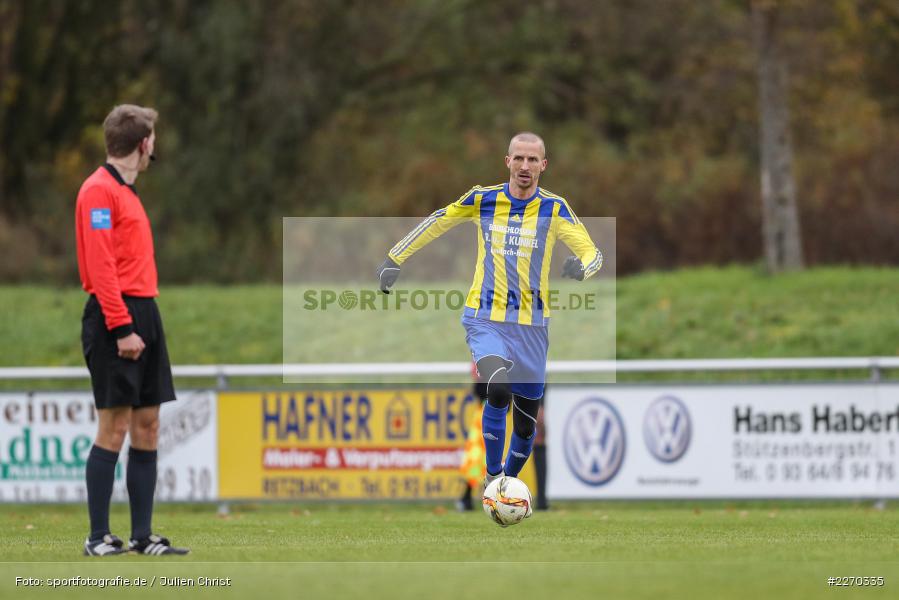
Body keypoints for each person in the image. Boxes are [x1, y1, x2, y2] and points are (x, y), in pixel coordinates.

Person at [378, 132, 602, 507]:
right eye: (519, 159)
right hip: (485, 319)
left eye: (533, 160)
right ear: (507, 161)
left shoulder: (555, 208)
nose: (525, 167)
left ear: (543, 165)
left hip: (532, 327)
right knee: (497, 388)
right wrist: (394, 258)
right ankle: (493, 476)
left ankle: (506, 490)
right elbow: (439, 220)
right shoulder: (483, 199)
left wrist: (581, 268)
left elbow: (593, 253)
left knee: (528, 424)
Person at [76, 104, 188, 556]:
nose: (154, 147)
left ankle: (143, 537)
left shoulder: (127, 192)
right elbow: (101, 266)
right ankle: (98, 536)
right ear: (144, 144)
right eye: (153, 140)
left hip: (146, 310)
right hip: (114, 316)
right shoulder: (97, 192)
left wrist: (140, 321)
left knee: (148, 424)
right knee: (114, 427)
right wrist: (121, 326)